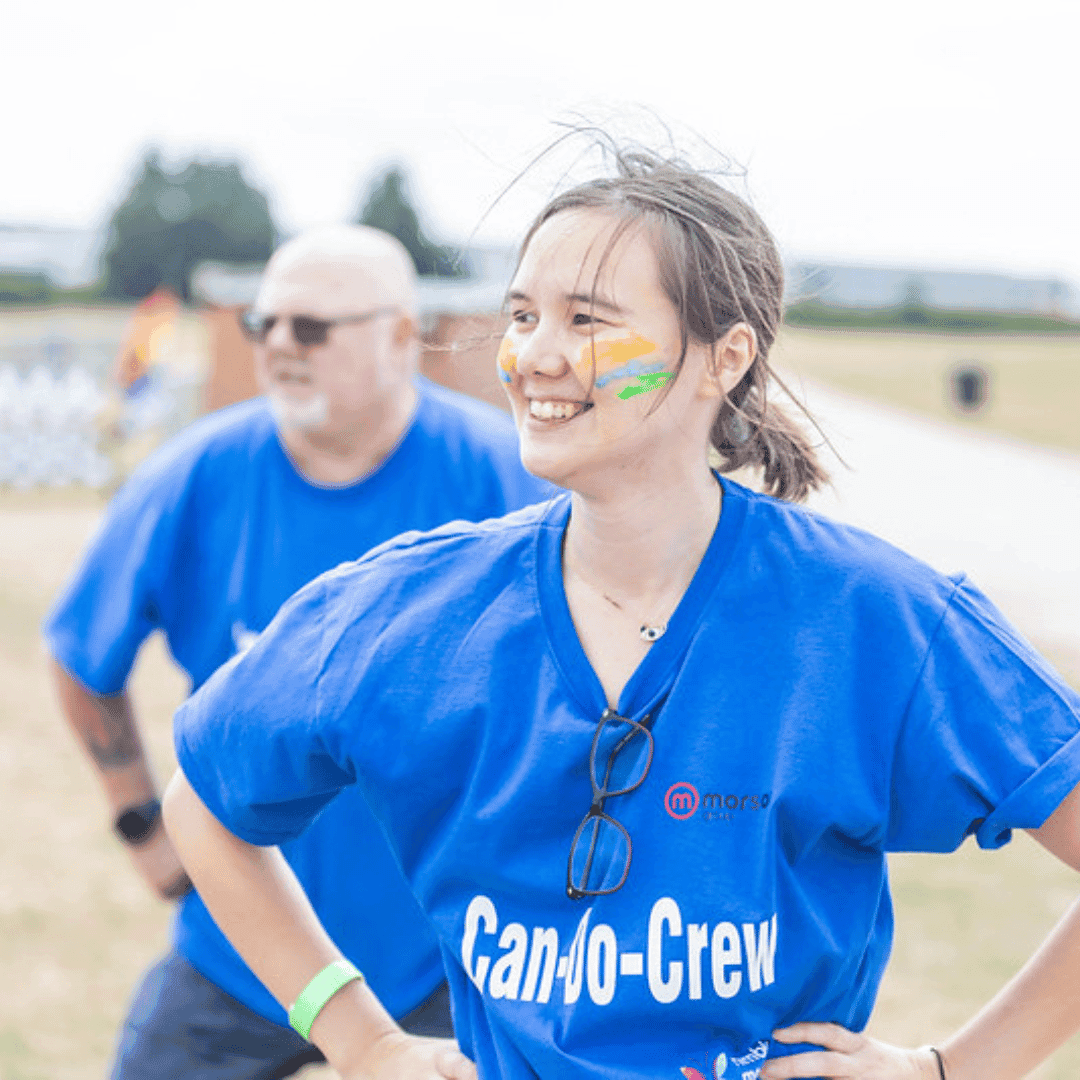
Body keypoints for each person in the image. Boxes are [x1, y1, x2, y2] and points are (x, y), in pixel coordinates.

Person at [161, 153, 1080, 1080]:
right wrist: (359, 1039)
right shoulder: (406, 613)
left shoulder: (878, 620)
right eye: (522, 316)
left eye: (588, 320)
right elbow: (201, 803)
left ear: (726, 357)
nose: (534, 357)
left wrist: (949, 1068)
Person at [45, 224, 554, 1080]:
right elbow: (81, 654)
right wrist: (140, 821)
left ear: (400, 336)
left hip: (450, 948)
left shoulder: (504, 478)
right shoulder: (197, 474)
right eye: (264, 323)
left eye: (311, 327)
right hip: (241, 947)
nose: (280, 344)